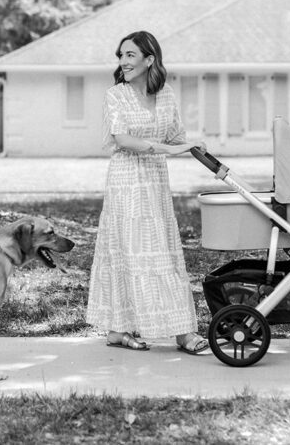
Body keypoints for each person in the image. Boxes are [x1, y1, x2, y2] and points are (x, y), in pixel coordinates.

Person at [85, 30, 210, 355]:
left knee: (164, 254)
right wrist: (172, 149)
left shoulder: (166, 94)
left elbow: (176, 135)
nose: (123, 62)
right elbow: (123, 140)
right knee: (129, 254)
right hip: (127, 182)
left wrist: (195, 146)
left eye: (130, 55)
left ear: (149, 59)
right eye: (121, 56)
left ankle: (176, 330)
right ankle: (124, 329)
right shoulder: (116, 95)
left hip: (155, 182)